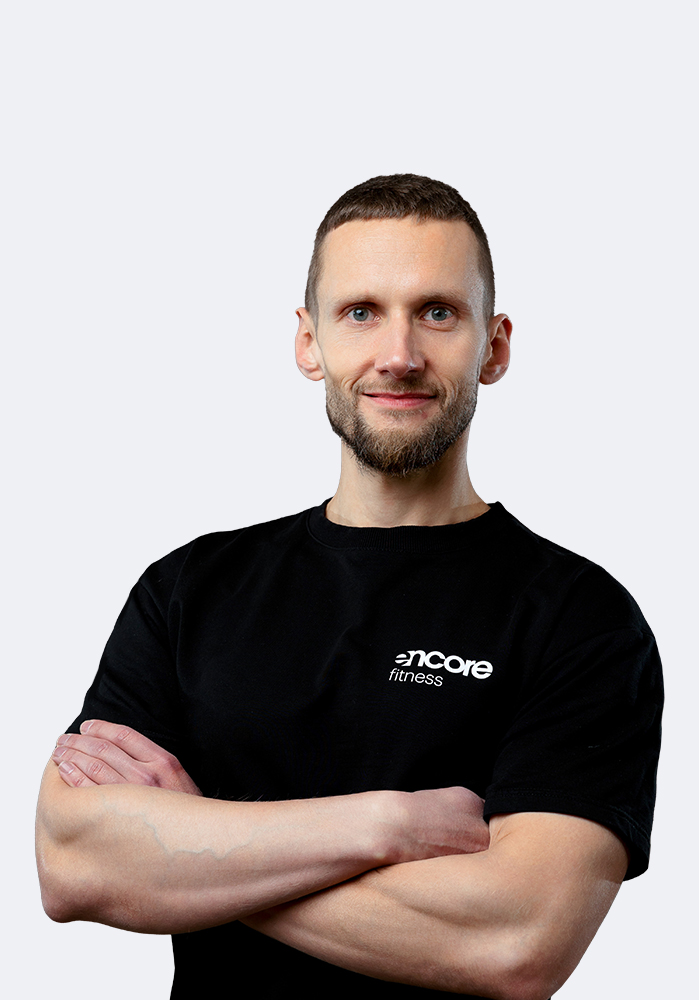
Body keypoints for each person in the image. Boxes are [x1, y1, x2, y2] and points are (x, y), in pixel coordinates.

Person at [36, 174, 663, 1000]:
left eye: (437, 312)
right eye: (360, 312)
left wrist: (196, 844)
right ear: (308, 342)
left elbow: (517, 940)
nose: (398, 354)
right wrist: (385, 824)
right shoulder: (189, 589)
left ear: (494, 346)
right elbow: (73, 865)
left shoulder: (581, 619)